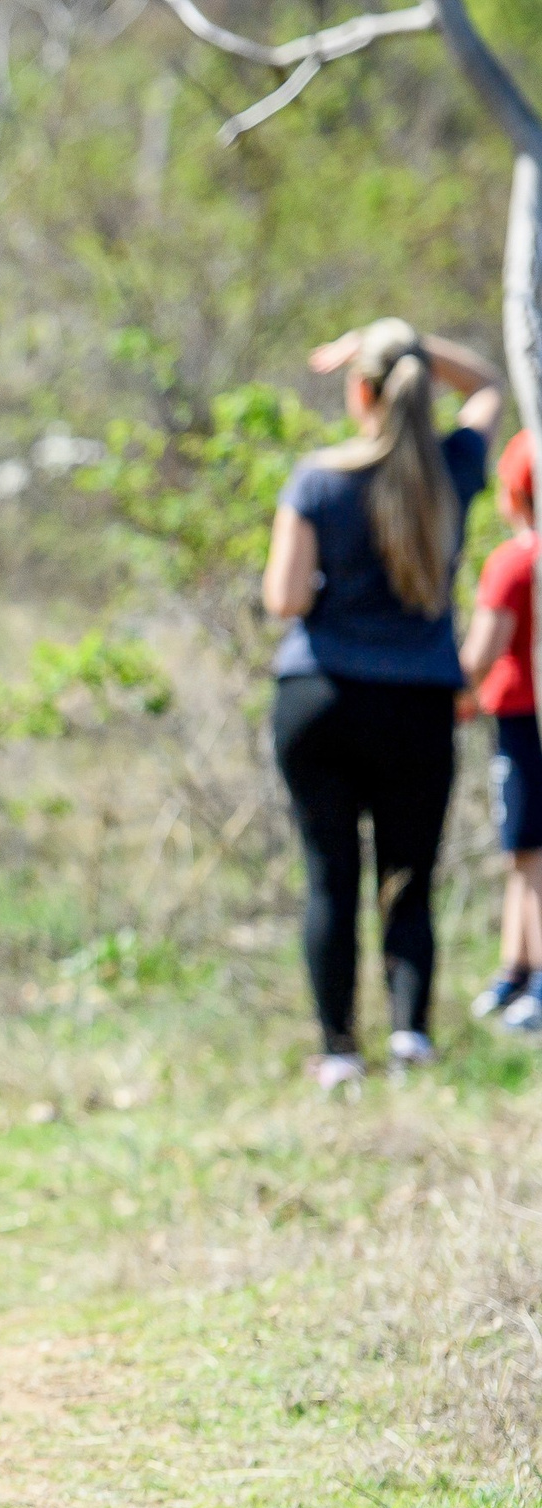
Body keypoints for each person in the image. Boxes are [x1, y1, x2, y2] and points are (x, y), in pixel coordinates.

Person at [261, 318, 504, 1089]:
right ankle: (410, 1041)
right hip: (417, 705)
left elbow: (286, 597)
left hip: (320, 696)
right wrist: (406, 341)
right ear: (418, 389)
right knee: (408, 876)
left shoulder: (319, 478)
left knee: (331, 875)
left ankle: (338, 1051)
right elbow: (490, 386)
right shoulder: (455, 469)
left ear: (359, 393)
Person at [463, 430, 542, 1027]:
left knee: (530, 849)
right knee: (521, 848)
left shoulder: (515, 562)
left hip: (520, 718)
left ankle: (537, 980)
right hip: (517, 717)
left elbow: (481, 653)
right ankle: (514, 967)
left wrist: (451, 695)